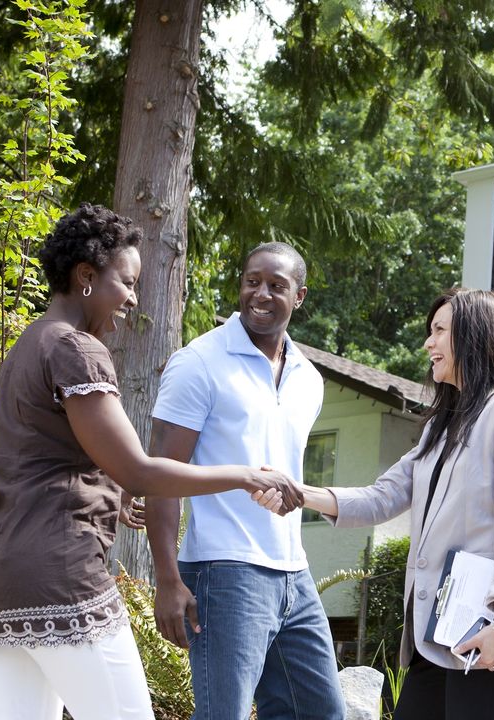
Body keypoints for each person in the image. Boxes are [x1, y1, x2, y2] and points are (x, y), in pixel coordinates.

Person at [0, 203, 303, 720]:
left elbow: (38, 458)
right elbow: (139, 470)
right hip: (56, 574)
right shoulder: (77, 350)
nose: (134, 299)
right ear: (86, 276)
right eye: (127, 282)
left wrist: (106, 492)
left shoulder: (30, 342)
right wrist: (246, 474)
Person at [257, 287, 494, 720]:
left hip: (484, 632)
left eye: (439, 331)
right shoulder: (443, 426)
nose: (428, 344)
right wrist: (298, 493)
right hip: (433, 635)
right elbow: (382, 497)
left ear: (474, 336)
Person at [144, 241, 345, 720]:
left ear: (299, 297)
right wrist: (168, 579)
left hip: (294, 573)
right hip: (223, 570)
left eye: (277, 285)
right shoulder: (199, 363)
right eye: (252, 281)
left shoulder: (309, 379)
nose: (260, 293)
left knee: (319, 712)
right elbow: (160, 478)